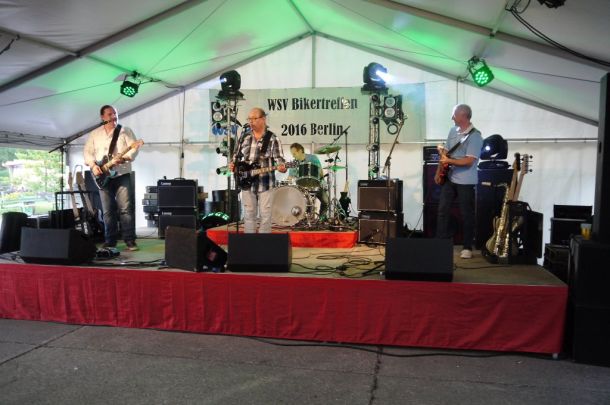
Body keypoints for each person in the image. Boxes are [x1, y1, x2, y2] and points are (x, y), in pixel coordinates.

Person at [84, 105, 139, 251]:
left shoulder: (125, 130)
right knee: (108, 210)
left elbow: (134, 148)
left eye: (115, 113)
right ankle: (110, 241)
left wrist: (125, 158)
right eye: (109, 114)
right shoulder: (95, 134)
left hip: (121, 174)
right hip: (102, 175)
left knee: (126, 208)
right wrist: (93, 165)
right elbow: (87, 152)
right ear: (102, 117)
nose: (113, 116)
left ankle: (129, 240)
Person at [435, 104, 483, 259]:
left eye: (454, 114)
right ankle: (440, 243)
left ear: (463, 116)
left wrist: (449, 160)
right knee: (442, 210)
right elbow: (446, 154)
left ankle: (467, 247)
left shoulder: (475, 136)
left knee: (466, 214)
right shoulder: (452, 131)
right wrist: (439, 171)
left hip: (466, 181)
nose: (452, 117)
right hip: (450, 178)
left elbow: (469, 161)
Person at [229, 108, 286, 233]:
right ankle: (250, 242)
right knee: (248, 214)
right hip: (246, 181)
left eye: (254, 118)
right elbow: (236, 156)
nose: (251, 121)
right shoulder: (244, 137)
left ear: (263, 119)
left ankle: (263, 243)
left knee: (265, 215)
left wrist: (282, 167)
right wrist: (233, 165)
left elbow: (280, 160)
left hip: (265, 182)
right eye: (249, 119)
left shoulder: (272, 138)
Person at [287, 142, 329, 219]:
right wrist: (287, 183)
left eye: (294, 153)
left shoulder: (313, 158)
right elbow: (290, 177)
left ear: (300, 151)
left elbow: (320, 171)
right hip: (302, 188)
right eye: (292, 154)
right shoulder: (293, 163)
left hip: (316, 184)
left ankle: (322, 219)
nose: (293, 156)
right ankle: (303, 219)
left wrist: (322, 180)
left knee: (326, 201)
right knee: (305, 205)